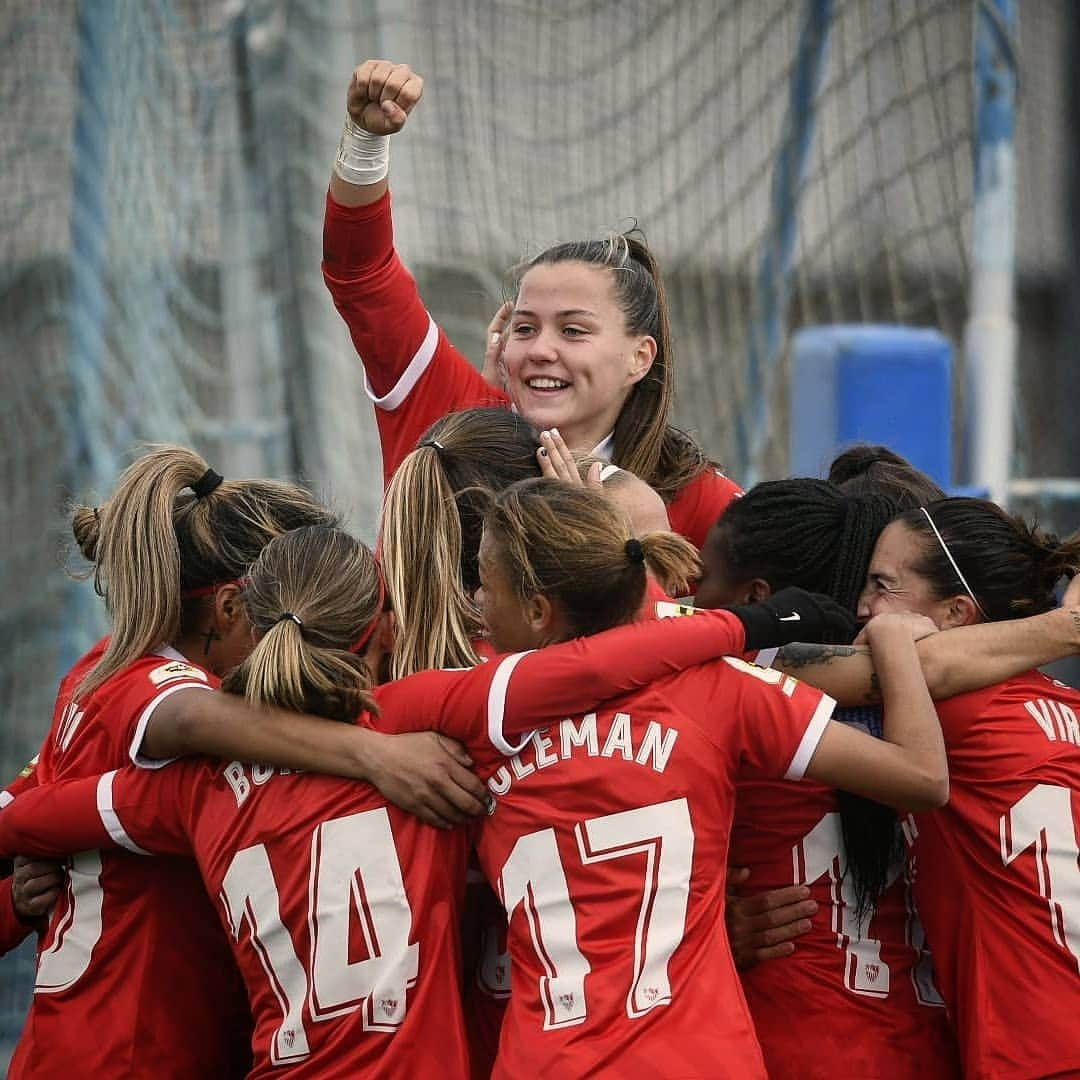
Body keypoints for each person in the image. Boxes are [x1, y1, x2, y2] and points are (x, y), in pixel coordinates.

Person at [0, 525, 855, 1077]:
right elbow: (587, 671)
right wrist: (753, 625)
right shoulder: (418, 721)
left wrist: (31, 871)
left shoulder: (188, 787)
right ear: (383, 632)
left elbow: (31, 815)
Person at [374, 478, 948, 1077]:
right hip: (700, 1059)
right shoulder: (718, 685)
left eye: (486, 587)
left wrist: (371, 755)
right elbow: (923, 776)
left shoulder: (470, 706)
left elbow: (296, 717)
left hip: (548, 1061)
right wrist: (894, 641)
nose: (476, 603)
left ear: (539, 610)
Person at [5, 444, 489, 1080]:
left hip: (88, 1045)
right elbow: (187, 717)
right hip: (129, 1049)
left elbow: (24, 814)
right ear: (234, 608)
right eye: (283, 611)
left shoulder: (97, 673)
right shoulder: (158, 690)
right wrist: (375, 753)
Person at [322, 59, 740, 551]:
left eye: (573, 331)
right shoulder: (453, 413)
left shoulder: (692, 494)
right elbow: (362, 275)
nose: (540, 349)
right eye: (524, 328)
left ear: (639, 358)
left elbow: (766, 606)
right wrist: (367, 142)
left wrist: (607, 551)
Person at [693, 477, 961, 1078]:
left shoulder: (723, 700)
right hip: (923, 1046)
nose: (689, 595)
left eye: (701, 578)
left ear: (755, 596)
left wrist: (696, 930)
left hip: (786, 1040)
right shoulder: (943, 696)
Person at [857, 497, 1080, 1078]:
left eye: (883, 585)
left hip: (1040, 1051)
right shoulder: (1063, 707)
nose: (863, 606)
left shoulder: (954, 710)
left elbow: (786, 670)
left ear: (957, 613)